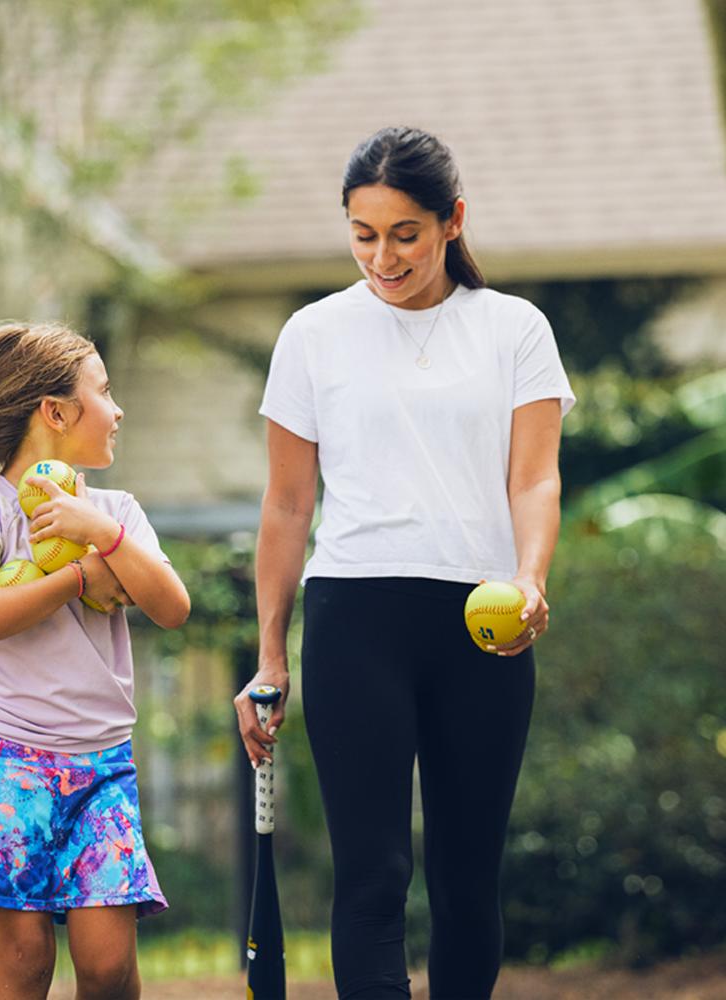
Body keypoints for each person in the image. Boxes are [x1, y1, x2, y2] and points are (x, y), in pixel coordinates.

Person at [234, 126, 576, 999]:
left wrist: (532, 579)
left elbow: (534, 477)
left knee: (467, 883)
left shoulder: (514, 330)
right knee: (375, 878)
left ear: (453, 221)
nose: (382, 256)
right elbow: (286, 506)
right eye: (362, 233)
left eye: (405, 234)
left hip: (485, 623)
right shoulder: (312, 334)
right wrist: (271, 653)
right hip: (356, 618)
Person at [0, 321, 190, 1000]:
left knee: (107, 966)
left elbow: (172, 607)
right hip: (8, 760)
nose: (117, 411)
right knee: (27, 962)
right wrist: (78, 579)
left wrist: (104, 535)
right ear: (55, 412)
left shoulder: (117, 512)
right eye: (105, 392)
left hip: (102, 764)